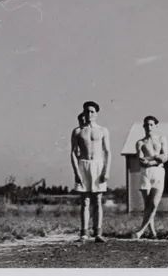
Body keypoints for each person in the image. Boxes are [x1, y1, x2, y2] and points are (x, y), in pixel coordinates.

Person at [70, 101, 111, 243]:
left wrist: (106, 170)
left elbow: (107, 151)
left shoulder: (103, 130)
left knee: (98, 200)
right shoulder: (78, 131)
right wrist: (76, 172)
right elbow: (74, 153)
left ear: (96, 114)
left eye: (92, 111)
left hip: (98, 165)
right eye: (87, 111)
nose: (89, 114)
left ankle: (98, 232)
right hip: (83, 165)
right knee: (85, 201)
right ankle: (84, 233)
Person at [132, 115, 168, 239]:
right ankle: (153, 232)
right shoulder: (140, 142)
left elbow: (165, 157)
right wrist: (156, 158)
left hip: (158, 172)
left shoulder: (162, 139)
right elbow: (141, 160)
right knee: (147, 205)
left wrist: (151, 160)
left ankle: (140, 231)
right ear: (143, 126)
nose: (149, 127)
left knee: (154, 204)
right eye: (147, 125)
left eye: (151, 124)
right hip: (145, 173)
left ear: (156, 126)